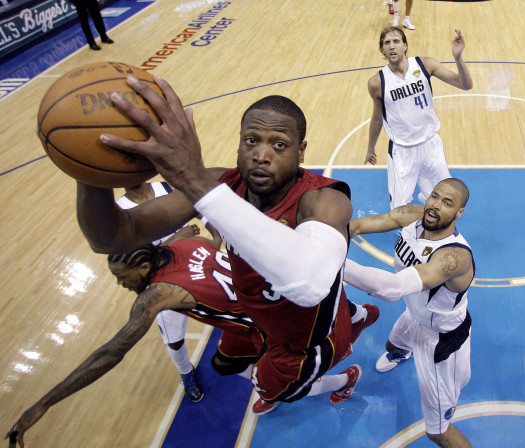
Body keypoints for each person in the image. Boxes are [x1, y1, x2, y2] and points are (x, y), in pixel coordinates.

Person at [71, 79, 378, 415]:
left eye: (279, 144)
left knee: (273, 389)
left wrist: (192, 176)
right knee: (224, 363)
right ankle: (358, 315)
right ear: (239, 143)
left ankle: (347, 364)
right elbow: (110, 238)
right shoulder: (222, 184)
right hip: (257, 317)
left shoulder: (325, 200)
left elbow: (310, 284)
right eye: (251, 141)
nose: (262, 155)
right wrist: (88, 169)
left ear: (301, 151)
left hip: (307, 336)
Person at [5, 237, 267, 447]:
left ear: (144, 267)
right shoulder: (182, 244)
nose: (120, 283)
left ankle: (274, 389)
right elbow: (208, 237)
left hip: (268, 328)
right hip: (254, 309)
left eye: (122, 276)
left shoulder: (159, 293)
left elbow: (110, 353)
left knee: (283, 380)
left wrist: (43, 403)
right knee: (222, 363)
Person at [345, 178, 475, 448]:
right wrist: (326, 239)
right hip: (414, 314)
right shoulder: (415, 215)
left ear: (459, 213)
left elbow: (394, 288)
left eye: (447, 203)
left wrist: (334, 262)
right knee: (392, 345)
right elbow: (357, 225)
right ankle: (402, 351)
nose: (436, 206)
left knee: (438, 432)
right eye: (435, 196)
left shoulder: (454, 257)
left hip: (441, 340)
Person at [117, 181, 223, 402]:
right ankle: (186, 372)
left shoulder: (164, 188)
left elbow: (197, 207)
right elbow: (133, 260)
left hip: (196, 264)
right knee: (174, 340)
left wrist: (215, 236)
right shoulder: (120, 211)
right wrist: (177, 239)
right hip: (163, 282)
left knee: (235, 304)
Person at [365, 27, 473, 210]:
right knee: (399, 210)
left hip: (431, 145)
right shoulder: (377, 82)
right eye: (387, 43)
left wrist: (457, 58)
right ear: (382, 50)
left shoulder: (425, 65)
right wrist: (370, 148)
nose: (392, 46)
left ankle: (427, 198)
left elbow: (465, 85)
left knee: (447, 199)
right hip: (402, 150)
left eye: (396, 41)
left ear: (405, 45)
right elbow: (377, 119)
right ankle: (407, 233)